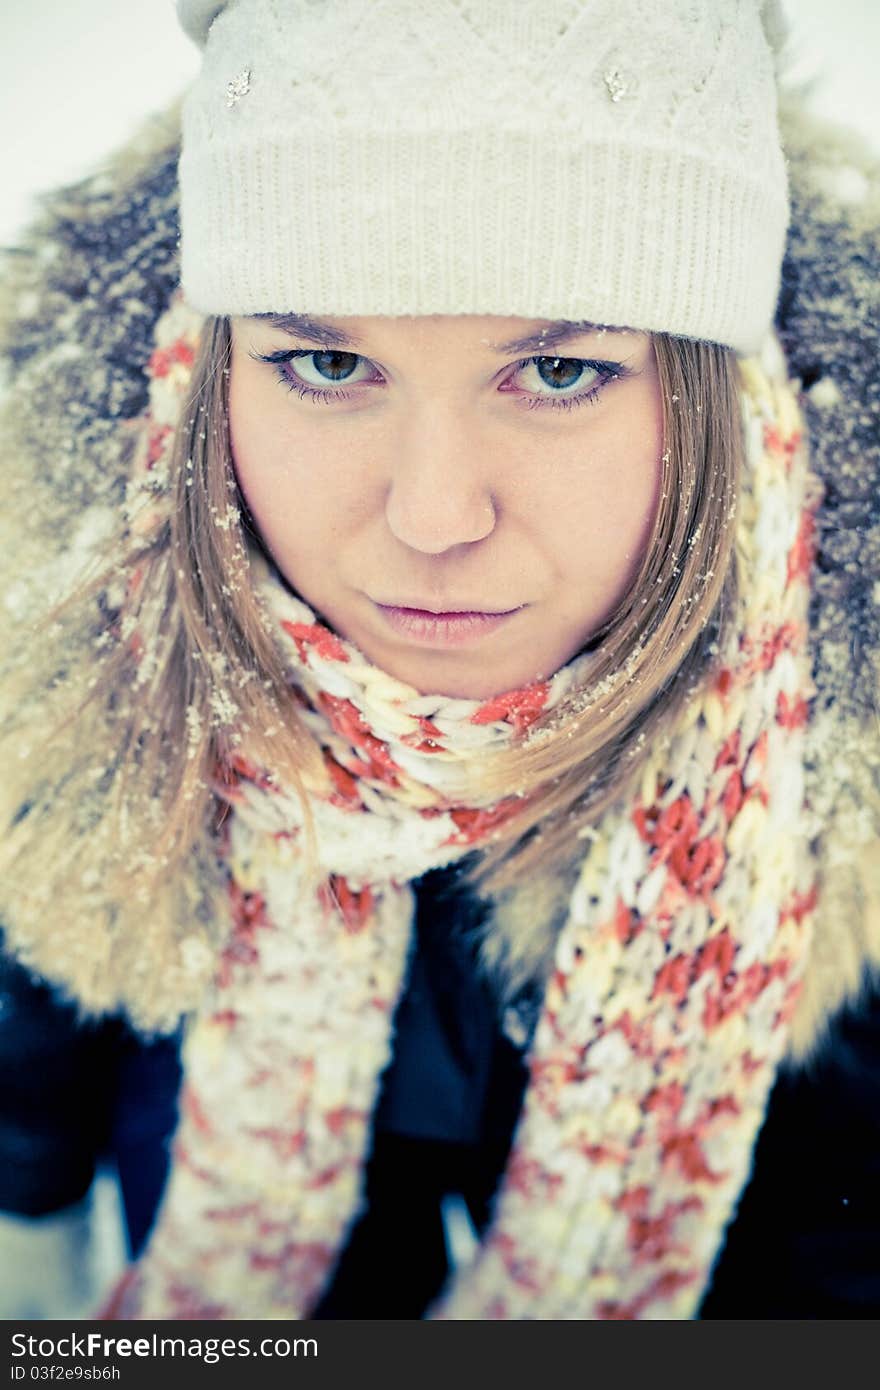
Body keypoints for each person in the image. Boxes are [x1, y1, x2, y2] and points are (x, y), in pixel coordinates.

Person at [0, 0, 879, 1320]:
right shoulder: (91, 632)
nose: (432, 517)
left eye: (562, 371)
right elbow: (39, 1006)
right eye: (327, 359)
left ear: (706, 389)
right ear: (218, 365)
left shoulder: (834, 750)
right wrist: (30, 1225)